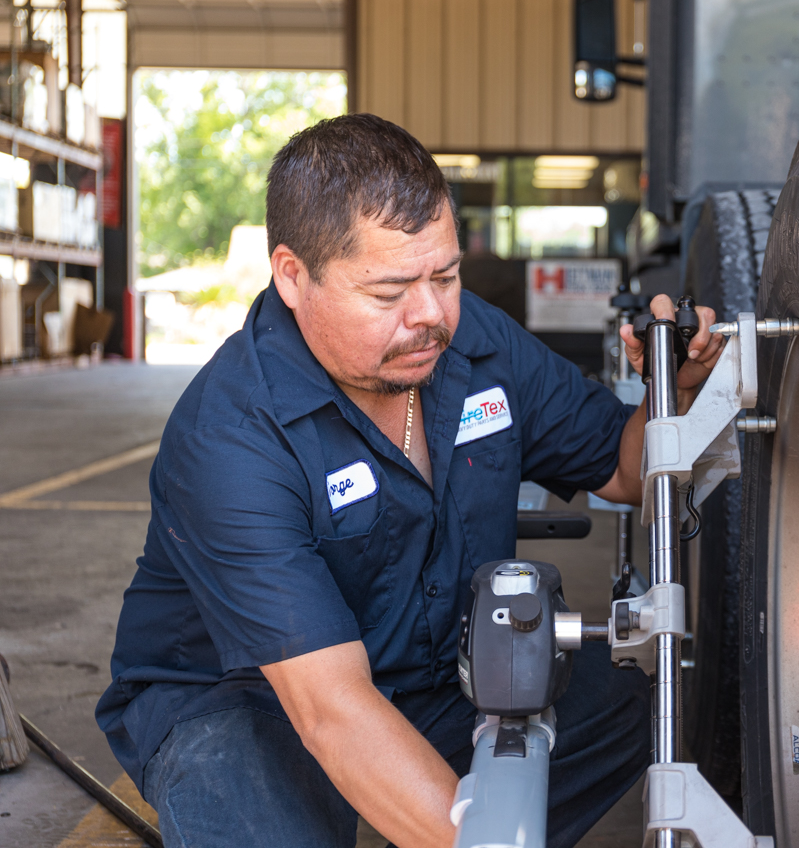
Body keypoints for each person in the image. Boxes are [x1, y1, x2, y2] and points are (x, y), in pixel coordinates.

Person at [95, 113, 725, 848]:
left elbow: (622, 467)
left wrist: (670, 392)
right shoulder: (233, 434)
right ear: (294, 277)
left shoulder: (477, 344)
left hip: (429, 672)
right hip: (248, 698)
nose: (430, 314)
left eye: (446, 275)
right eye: (390, 291)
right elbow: (332, 708)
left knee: (630, 708)